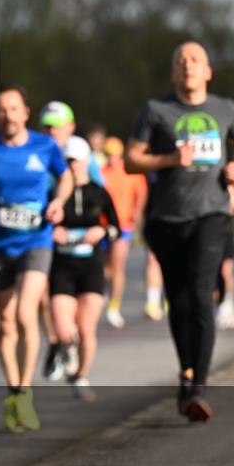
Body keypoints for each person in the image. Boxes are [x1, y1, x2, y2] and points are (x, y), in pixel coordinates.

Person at [125, 41, 234, 422]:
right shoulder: (156, 110)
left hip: (211, 213)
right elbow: (132, 159)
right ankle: (187, 373)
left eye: (195, 60)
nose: (188, 66)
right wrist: (168, 159)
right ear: (173, 73)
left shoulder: (225, 108)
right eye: (180, 61)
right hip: (166, 219)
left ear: (208, 71)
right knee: (178, 302)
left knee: (200, 294)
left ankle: (199, 387)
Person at [0, 85, 71, 432]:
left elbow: (65, 178)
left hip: (37, 240)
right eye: (1, 110)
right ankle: (14, 390)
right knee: (4, 322)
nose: (8, 115)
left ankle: (26, 391)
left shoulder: (45, 145)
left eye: (14, 109)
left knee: (25, 313)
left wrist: (58, 202)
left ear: (25, 113)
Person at [50, 137, 120, 401]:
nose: (72, 166)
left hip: (91, 265)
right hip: (63, 266)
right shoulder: (54, 194)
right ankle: (66, 349)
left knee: (87, 328)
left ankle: (81, 376)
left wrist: (101, 229)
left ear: (86, 162)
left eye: (76, 161)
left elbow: (116, 228)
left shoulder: (99, 193)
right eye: (67, 161)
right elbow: (41, 226)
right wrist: (53, 231)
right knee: (64, 328)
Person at [37, 100, 100, 380]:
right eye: (47, 128)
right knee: (38, 296)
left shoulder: (81, 155)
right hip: (41, 231)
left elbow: (98, 200)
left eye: (58, 127)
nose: (53, 133)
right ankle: (57, 341)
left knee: (55, 296)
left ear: (71, 127)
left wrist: (94, 230)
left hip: (73, 242)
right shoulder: (37, 151)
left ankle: (65, 342)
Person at [100, 136, 148, 328]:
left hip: (124, 225)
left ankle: (114, 306)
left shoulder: (131, 172)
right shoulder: (102, 173)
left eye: (115, 154)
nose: (112, 158)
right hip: (103, 226)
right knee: (105, 267)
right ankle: (102, 293)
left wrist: (137, 212)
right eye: (108, 155)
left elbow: (141, 192)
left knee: (117, 265)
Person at [215, 185, 234, 330]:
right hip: (207, 235)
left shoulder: (224, 180)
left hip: (225, 230)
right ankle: (218, 306)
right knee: (211, 276)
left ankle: (228, 304)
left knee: (226, 270)